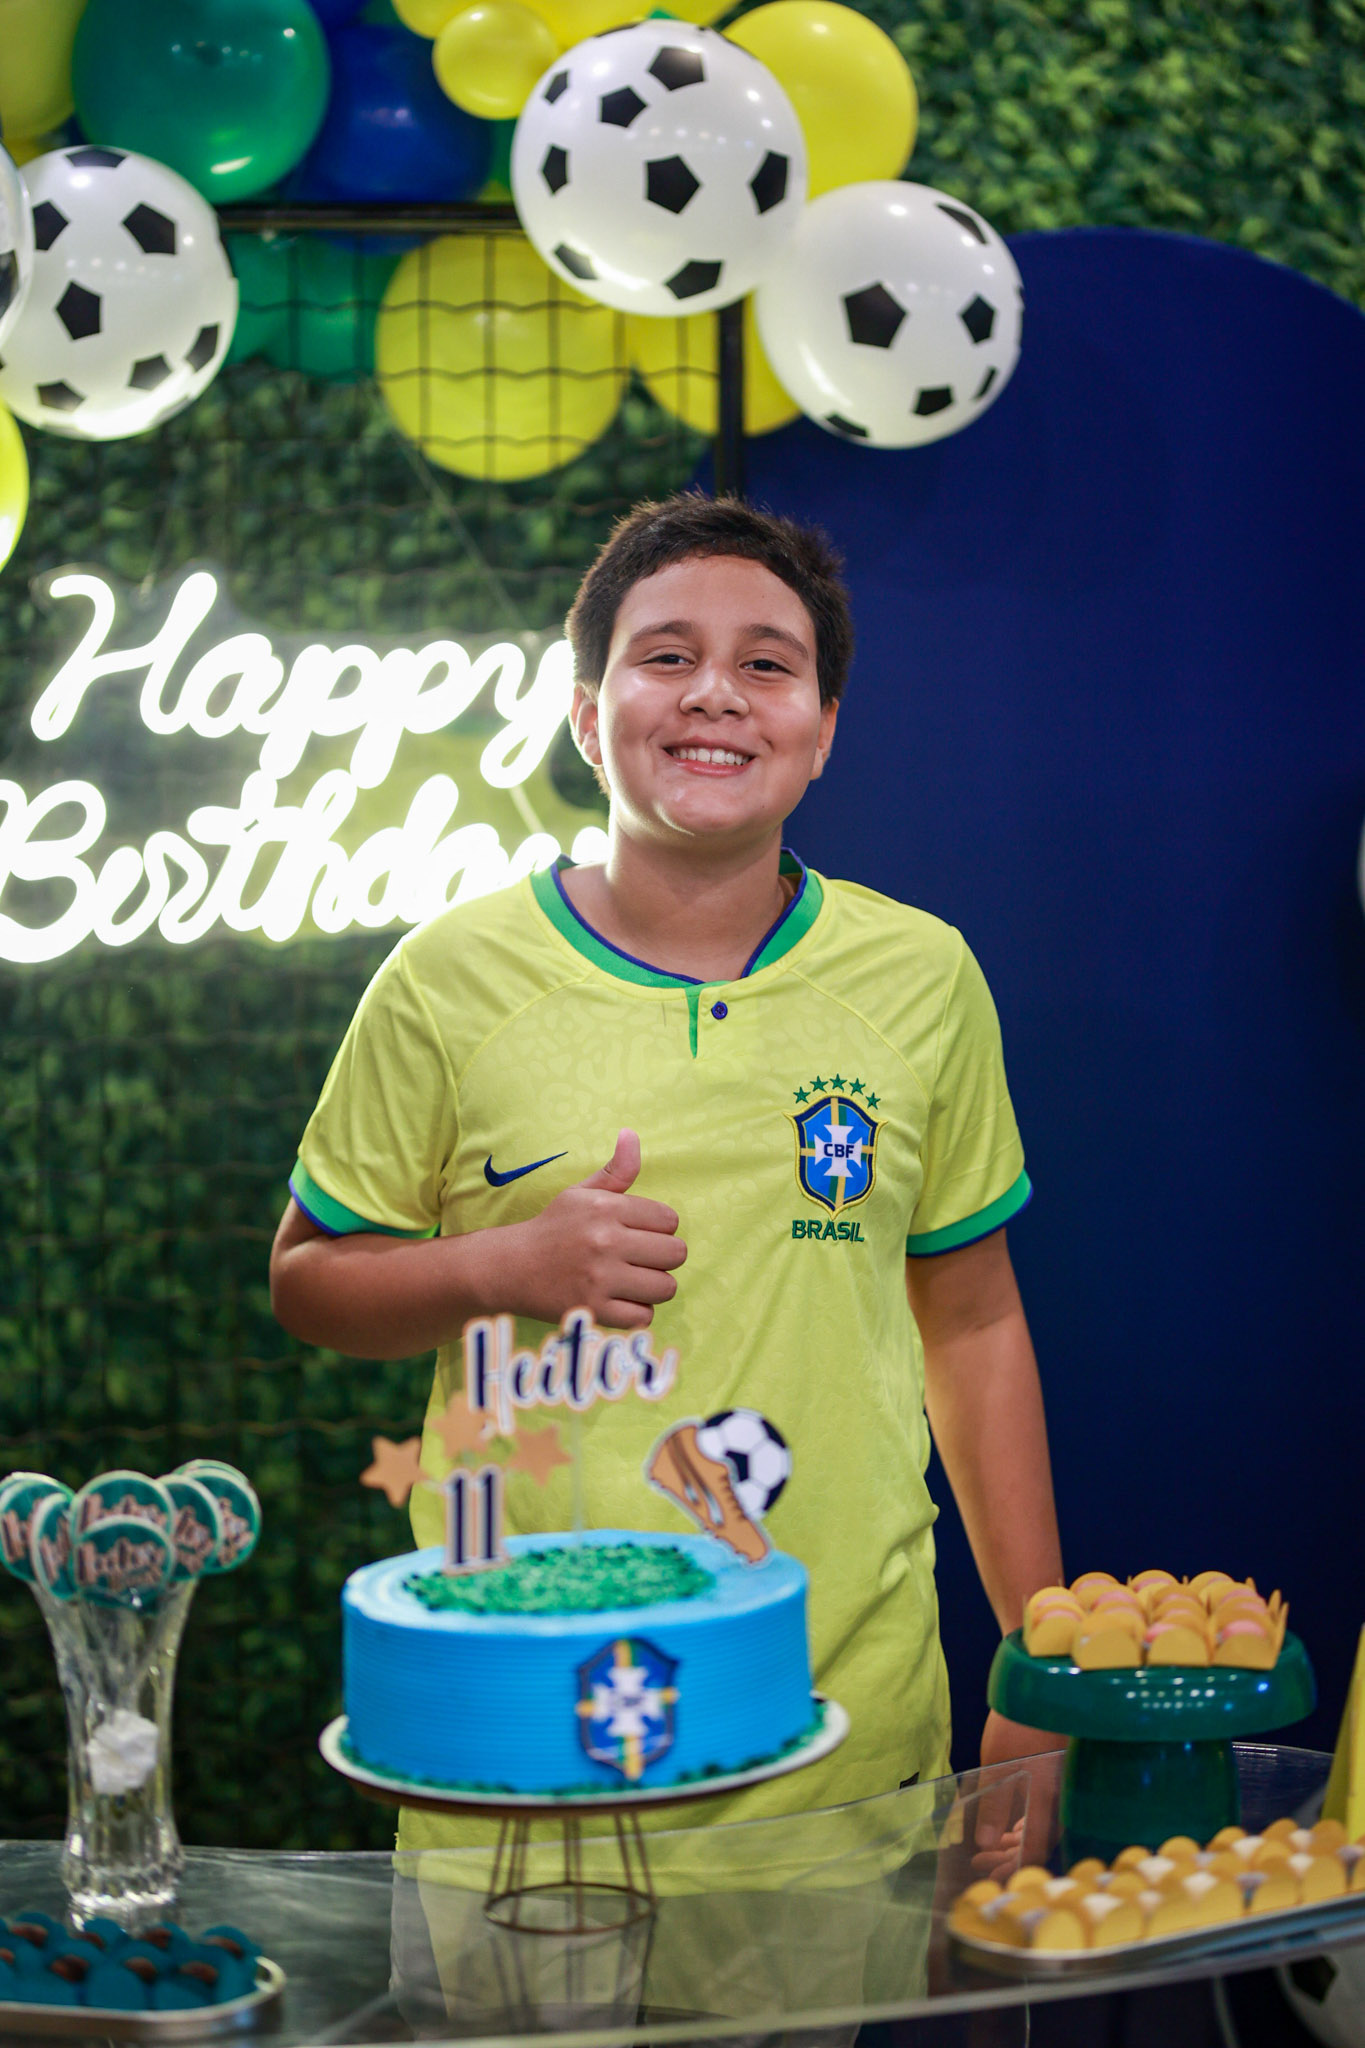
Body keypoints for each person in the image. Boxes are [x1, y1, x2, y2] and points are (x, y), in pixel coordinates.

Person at [270, 492, 1063, 1855]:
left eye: (767, 664)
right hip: (524, 1742)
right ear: (589, 718)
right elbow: (307, 1281)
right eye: (666, 655)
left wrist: (1036, 1659)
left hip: (842, 1730)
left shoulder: (921, 977)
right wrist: (499, 1266)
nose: (715, 694)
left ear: (822, 730)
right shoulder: (449, 977)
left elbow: (976, 1322)